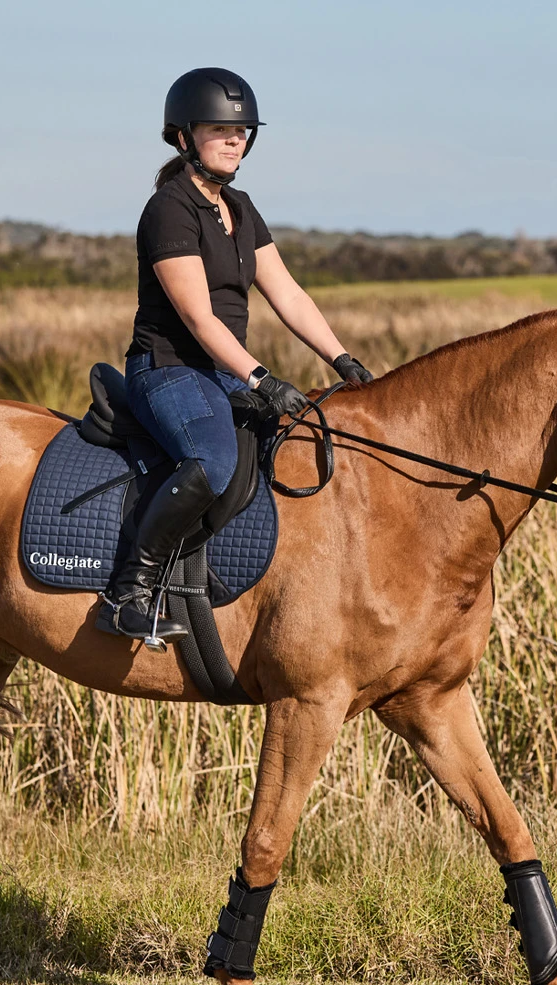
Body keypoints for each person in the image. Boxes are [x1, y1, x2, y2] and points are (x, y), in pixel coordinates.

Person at [96, 66, 375, 644]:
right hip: (168, 369)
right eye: (220, 130)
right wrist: (260, 378)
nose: (234, 140)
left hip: (221, 372)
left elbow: (288, 295)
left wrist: (342, 359)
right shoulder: (169, 208)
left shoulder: (241, 208)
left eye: (242, 131)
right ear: (183, 137)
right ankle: (128, 593)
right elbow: (199, 319)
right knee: (214, 460)